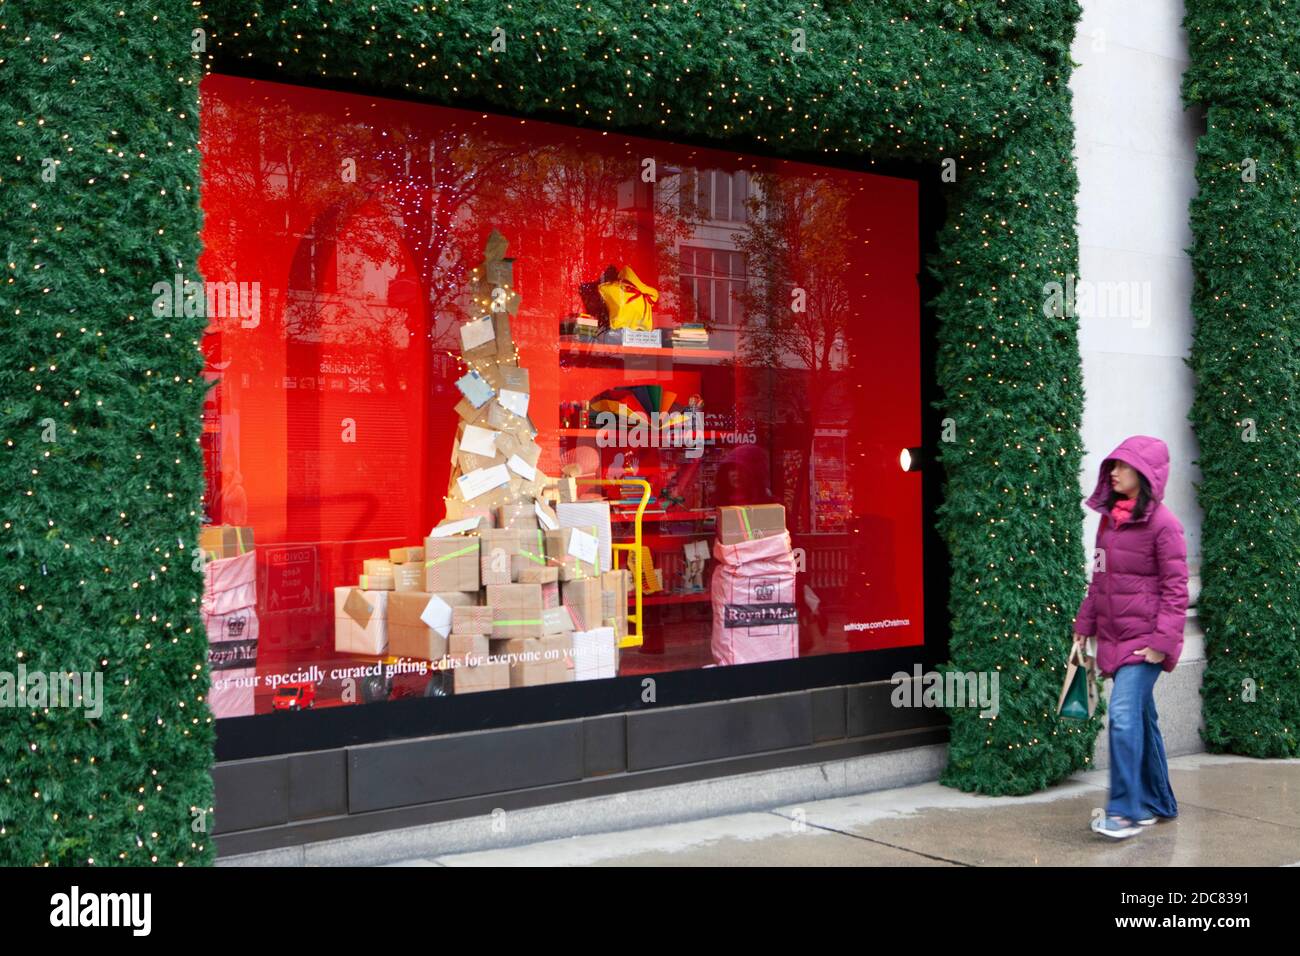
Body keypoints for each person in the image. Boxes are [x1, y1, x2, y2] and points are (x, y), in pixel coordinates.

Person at [1072, 435, 1188, 839]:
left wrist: (1161, 642)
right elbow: (1099, 579)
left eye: (1121, 466)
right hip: (1113, 637)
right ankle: (1158, 802)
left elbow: (1177, 590)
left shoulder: (1165, 525)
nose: (1114, 473)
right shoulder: (1109, 521)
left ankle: (1124, 812)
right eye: (1112, 467)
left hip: (1144, 643)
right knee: (1141, 718)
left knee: (1122, 716)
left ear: (1145, 473)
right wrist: (1082, 628)